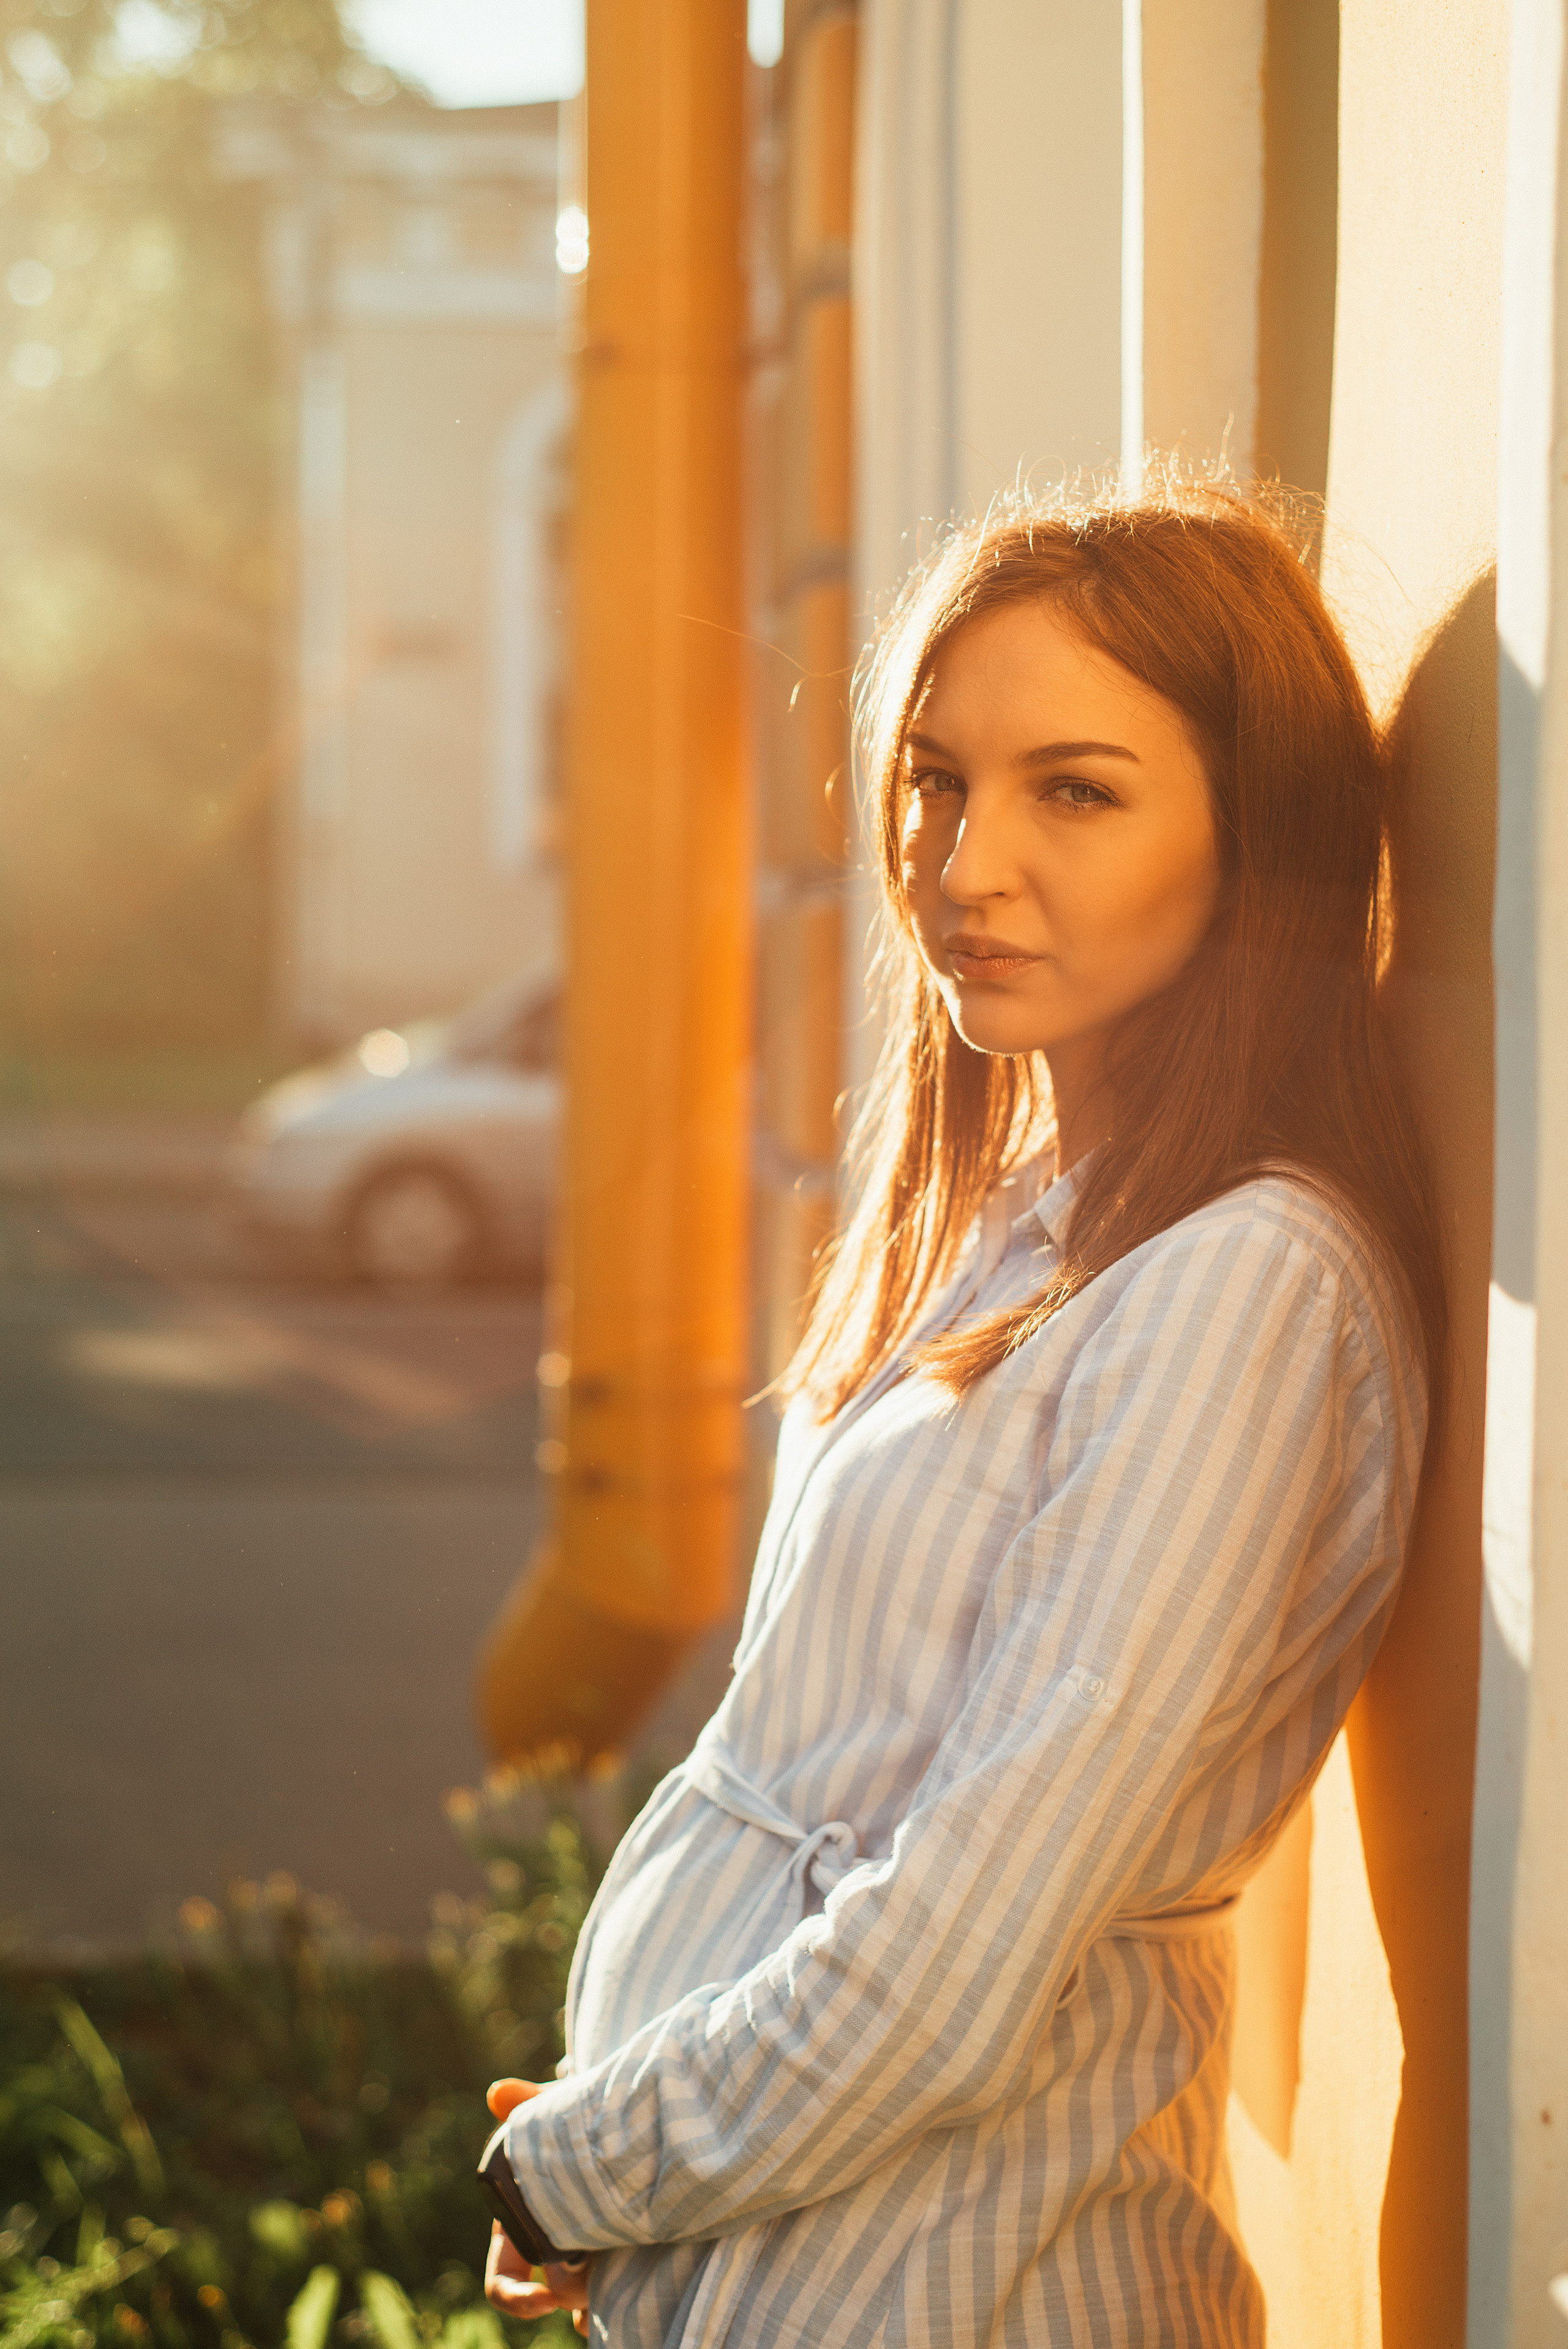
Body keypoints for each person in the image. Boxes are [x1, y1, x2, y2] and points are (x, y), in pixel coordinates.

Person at [481, 479, 1444, 2347]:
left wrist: (587, 2161)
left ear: (1261, 839)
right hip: (785, 2252)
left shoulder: (1246, 1285)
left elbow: (962, 1944)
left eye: (1073, 790)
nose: (961, 858)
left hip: (957, 2280)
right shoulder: (1042, 1218)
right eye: (936, 778)